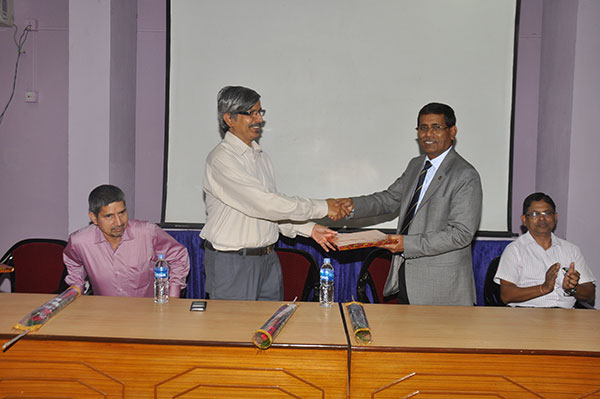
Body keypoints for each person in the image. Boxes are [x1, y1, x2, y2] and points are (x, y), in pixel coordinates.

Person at [201, 85, 347, 301]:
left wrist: (310, 229)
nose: (259, 119)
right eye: (251, 113)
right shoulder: (222, 159)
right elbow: (264, 203)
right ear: (229, 119)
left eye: (260, 112)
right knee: (233, 333)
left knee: (268, 330)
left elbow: (271, 213)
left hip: (268, 259)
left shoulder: (262, 157)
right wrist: (323, 206)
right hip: (233, 262)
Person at [336, 102, 482, 306]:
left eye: (436, 127)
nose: (428, 134)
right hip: (407, 276)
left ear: (452, 131)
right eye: (423, 128)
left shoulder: (464, 175)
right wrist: (352, 205)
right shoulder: (416, 165)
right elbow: (389, 199)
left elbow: (461, 234)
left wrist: (408, 244)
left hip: (442, 288)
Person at [64, 184, 190, 297]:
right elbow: (74, 262)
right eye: (109, 216)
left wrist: (173, 296)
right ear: (93, 217)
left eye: (122, 213)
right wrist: (77, 287)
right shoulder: (80, 242)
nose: (118, 222)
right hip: (103, 313)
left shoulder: (147, 233)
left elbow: (179, 256)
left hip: (147, 312)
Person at [494, 192, 596, 308]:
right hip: (526, 316)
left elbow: (590, 294)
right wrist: (543, 288)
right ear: (524, 220)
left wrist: (573, 288)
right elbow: (506, 295)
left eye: (547, 213)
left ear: (555, 217)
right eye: (534, 214)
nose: (542, 218)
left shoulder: (572, 250)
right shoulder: (514, 250)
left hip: (565, 317)